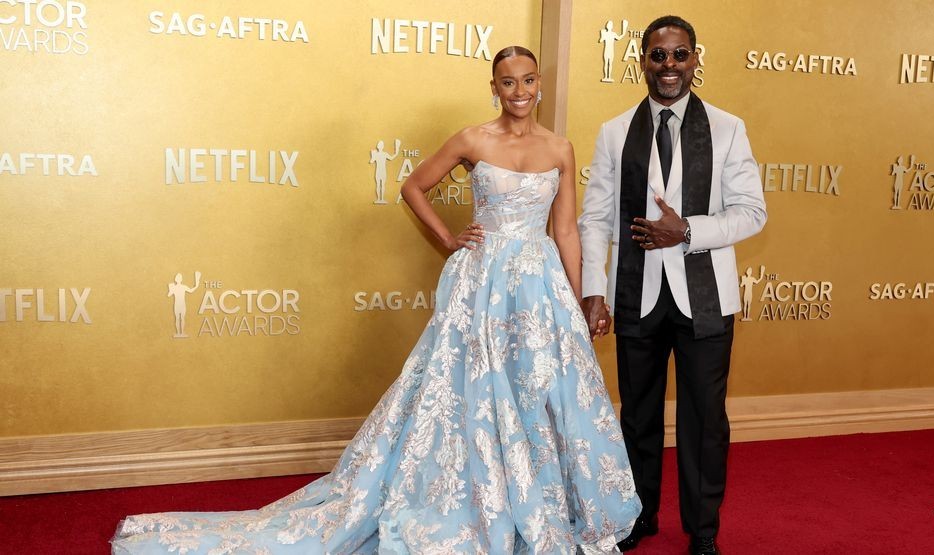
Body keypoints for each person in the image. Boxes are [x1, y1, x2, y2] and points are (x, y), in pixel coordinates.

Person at [111, 46, 641, 554]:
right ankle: (479, 504)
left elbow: (567, 230)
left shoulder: (561, 148)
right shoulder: (472, 139)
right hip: (482, 284)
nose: (519, 91)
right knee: (474, 392)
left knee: (541, 392)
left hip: (539, 284)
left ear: (539, 85)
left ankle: (537, 500)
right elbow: (413, 186)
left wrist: (574, 299)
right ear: (494, 88)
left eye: (527, 81)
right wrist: (450, 239)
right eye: (508, 82)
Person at [578, 16, 767, 555]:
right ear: (642, 61)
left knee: (704, 421)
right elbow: (595, 219)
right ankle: (638, 516)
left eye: (679, 55)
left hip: (704, 297)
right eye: (658, 56)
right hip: (635, 292)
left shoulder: (728, 128)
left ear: (694, 60)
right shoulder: (615, 131)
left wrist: (685, 230)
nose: (669, 67)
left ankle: (703, 531)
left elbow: (752, 212)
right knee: (636, 415)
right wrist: (595, 289)